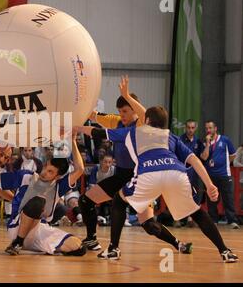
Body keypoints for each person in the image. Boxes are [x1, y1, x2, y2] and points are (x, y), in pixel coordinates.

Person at [83, 106, 239, 263]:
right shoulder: (170, 135)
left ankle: (113, 249)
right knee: (197, 213)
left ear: (148, 120)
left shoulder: (135, 131)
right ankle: (225, 251)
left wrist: (75, 127)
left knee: (118, 200)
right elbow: (194, 159)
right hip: (176, 173)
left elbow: (98, 133)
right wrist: (210, 184)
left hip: (149, 174)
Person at [77, 76, 192, 259]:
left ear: (134, 110)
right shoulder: (116, 121)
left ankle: (178, 244)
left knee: (148, 225)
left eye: (125, 111)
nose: (121, 115)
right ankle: (92, 239)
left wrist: (128, 96)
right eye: (119, 111)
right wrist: (83, 109)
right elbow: (94, 118)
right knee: (86, 200)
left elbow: (143, 112)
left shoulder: (141, 125)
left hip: (140, 177)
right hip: (121, 175)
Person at [0, 134, 87, 256]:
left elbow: (80, 169)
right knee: (38, 202)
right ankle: (18, 242)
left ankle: (39, 247)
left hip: (40, 229)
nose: (44, 172)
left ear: (58, 176)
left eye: (50, 171)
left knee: (78, 247)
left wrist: (72, 140)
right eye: (45, 167)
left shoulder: (58, 187)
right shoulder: (26, 176)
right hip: (17, 227)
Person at [200, 121, 239, 229]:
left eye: (210, 128)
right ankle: (213, 220)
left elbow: (233, 155)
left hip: (224, 174)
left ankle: (232, 220)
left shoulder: (225, 140)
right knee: (212, 199)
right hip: (210, 175)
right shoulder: (203, 142)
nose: (208, 130)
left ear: (215, 128)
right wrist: (207, 144)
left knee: (228, 198)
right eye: (207, 128)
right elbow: (203, 157)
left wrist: (224, 162)